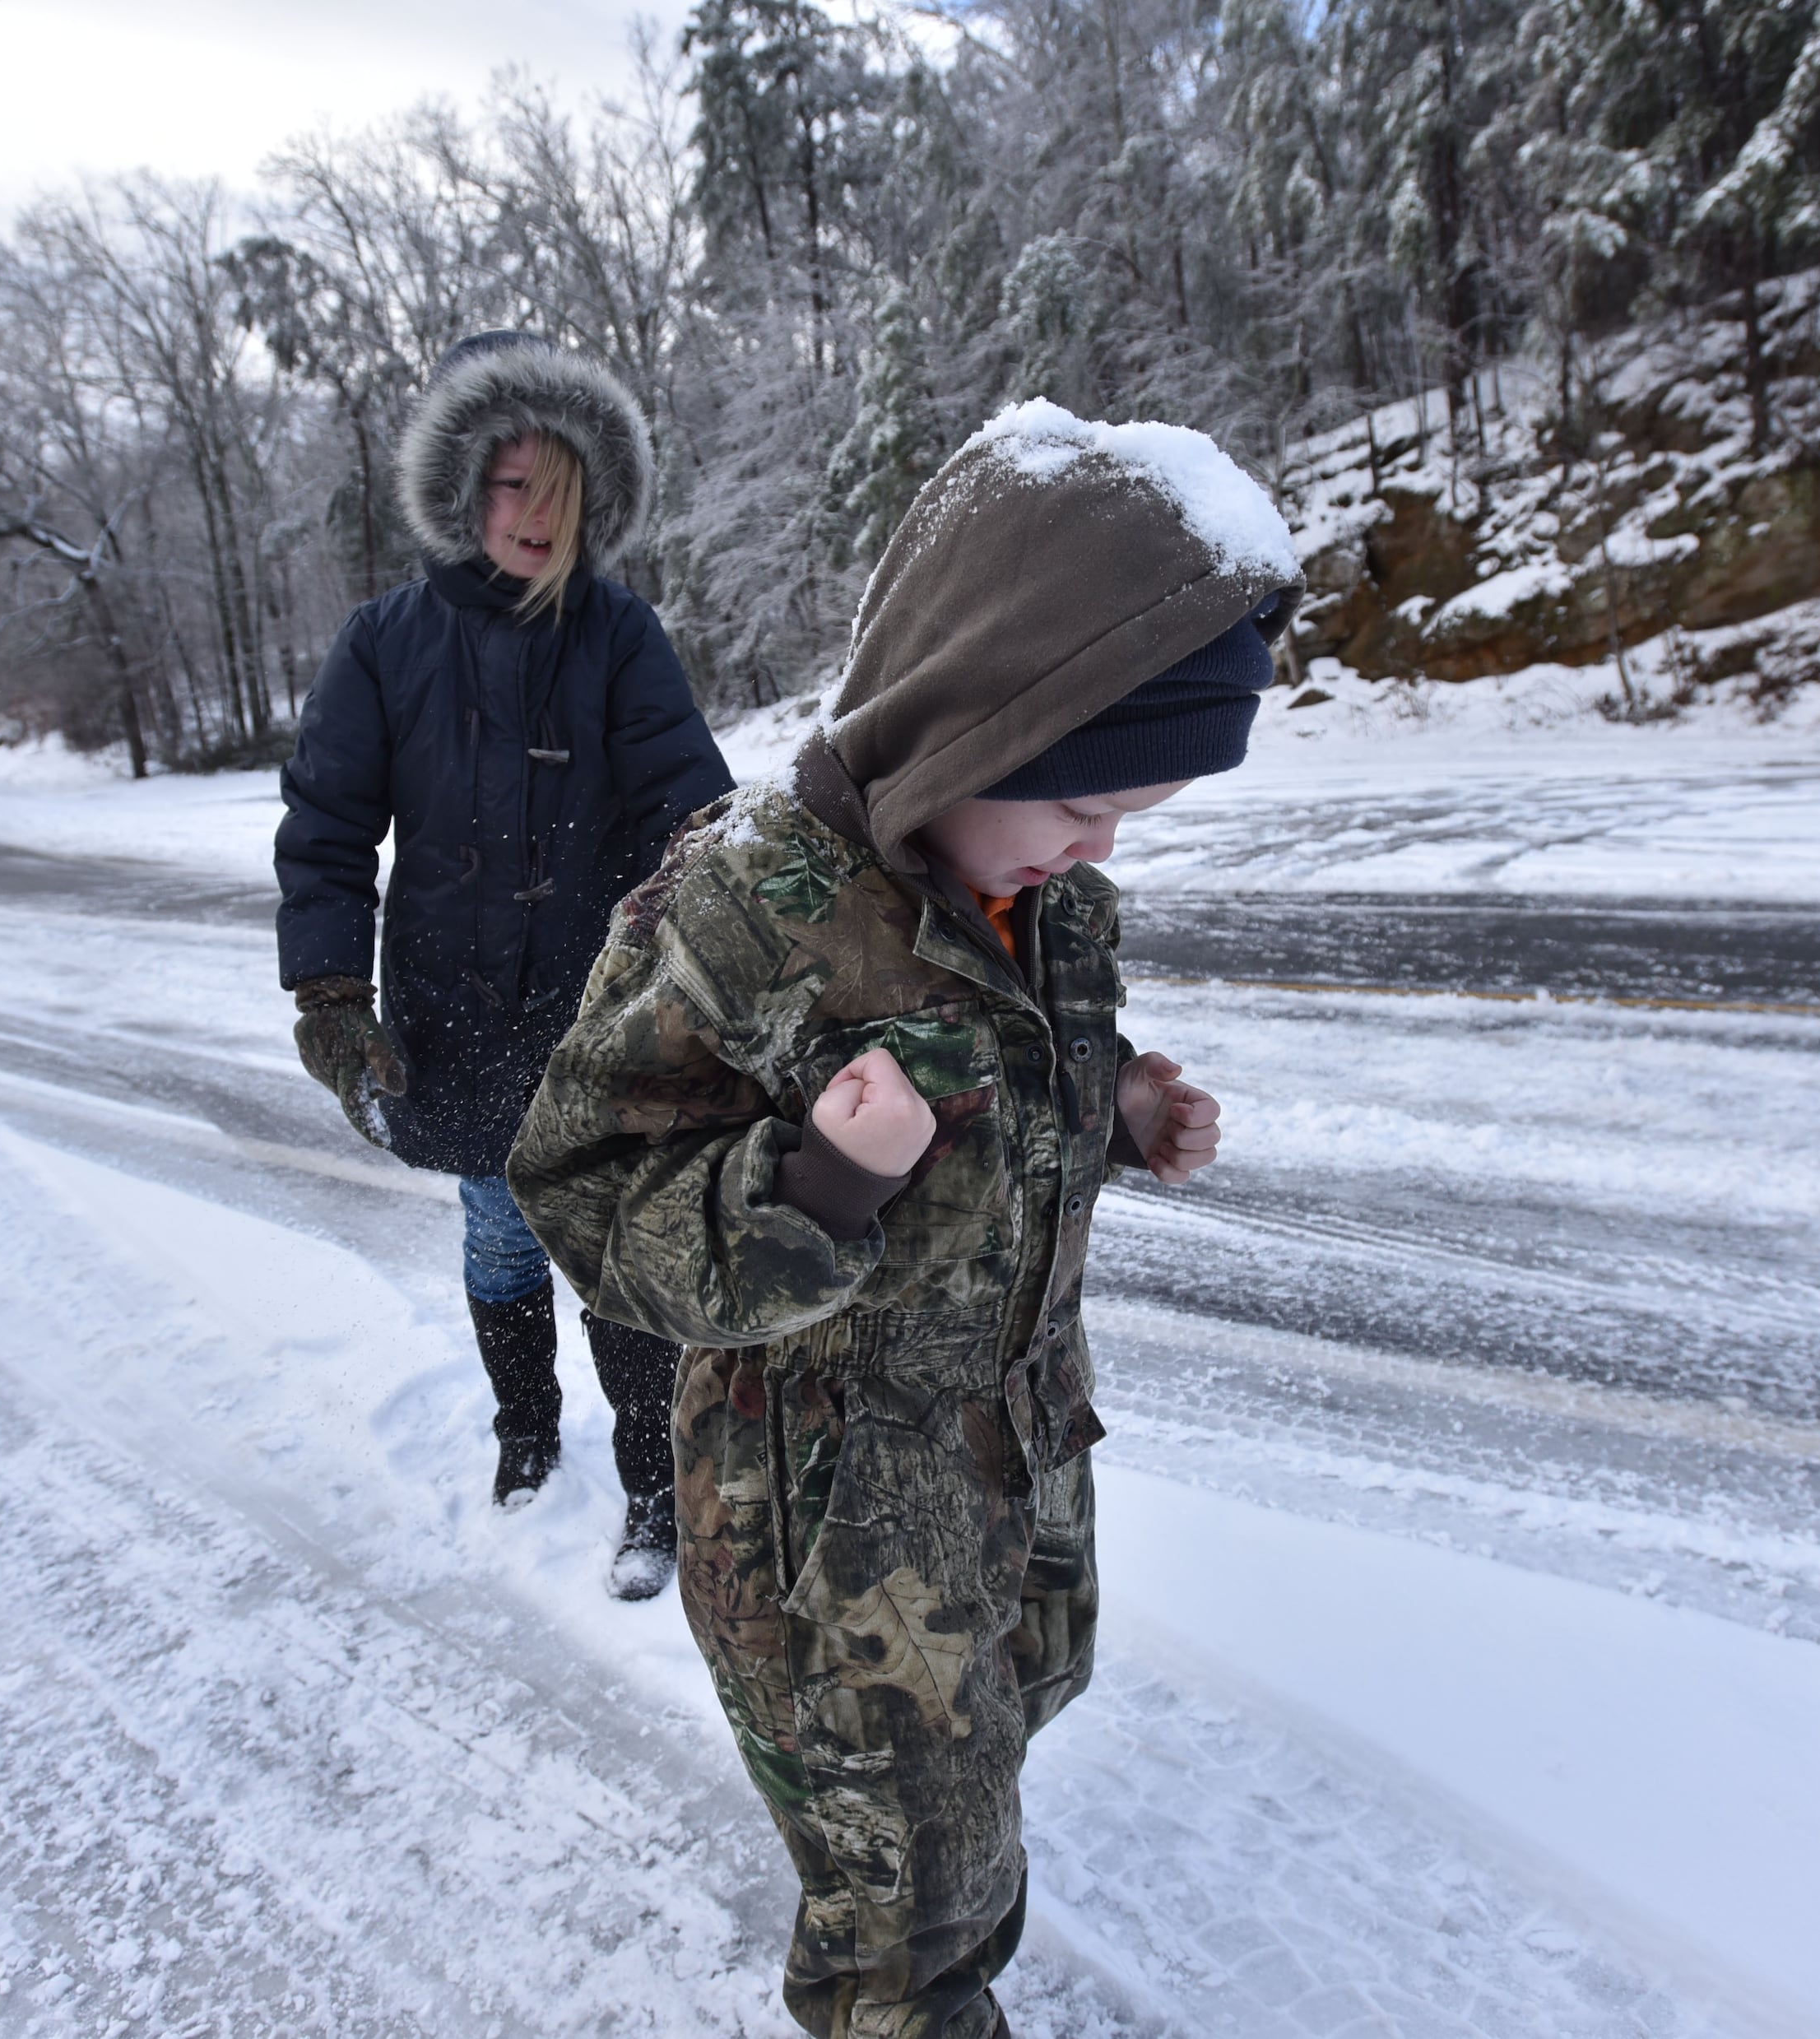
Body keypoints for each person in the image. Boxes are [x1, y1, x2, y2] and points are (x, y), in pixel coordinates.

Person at [508, 401, 1295, 2038]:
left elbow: (1033, 1074)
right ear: (967, 728)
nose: (1101, 847)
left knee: (1016, 1715)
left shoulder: (1046, 898)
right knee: (909, 1921)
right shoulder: (734, 913)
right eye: (1086, 801)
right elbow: (582, 1194)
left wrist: (1126, 1109)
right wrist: (815, 1186)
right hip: (832, 1536)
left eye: (1133, 818)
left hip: (1015, 1453)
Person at [276, 331, 733, 1600]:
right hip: (453, 1000)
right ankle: (524, 1426)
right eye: (511, 485)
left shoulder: (620, 635)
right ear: (462, 489)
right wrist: (328, 994)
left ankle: (654, 1485)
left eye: (563, 489)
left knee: (614, 1252)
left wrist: (721, 957)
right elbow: (326, 826)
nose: (537, 517)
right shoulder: (385, 643)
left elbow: (692, 812)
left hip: (601, 1013)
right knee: (497, 1227)